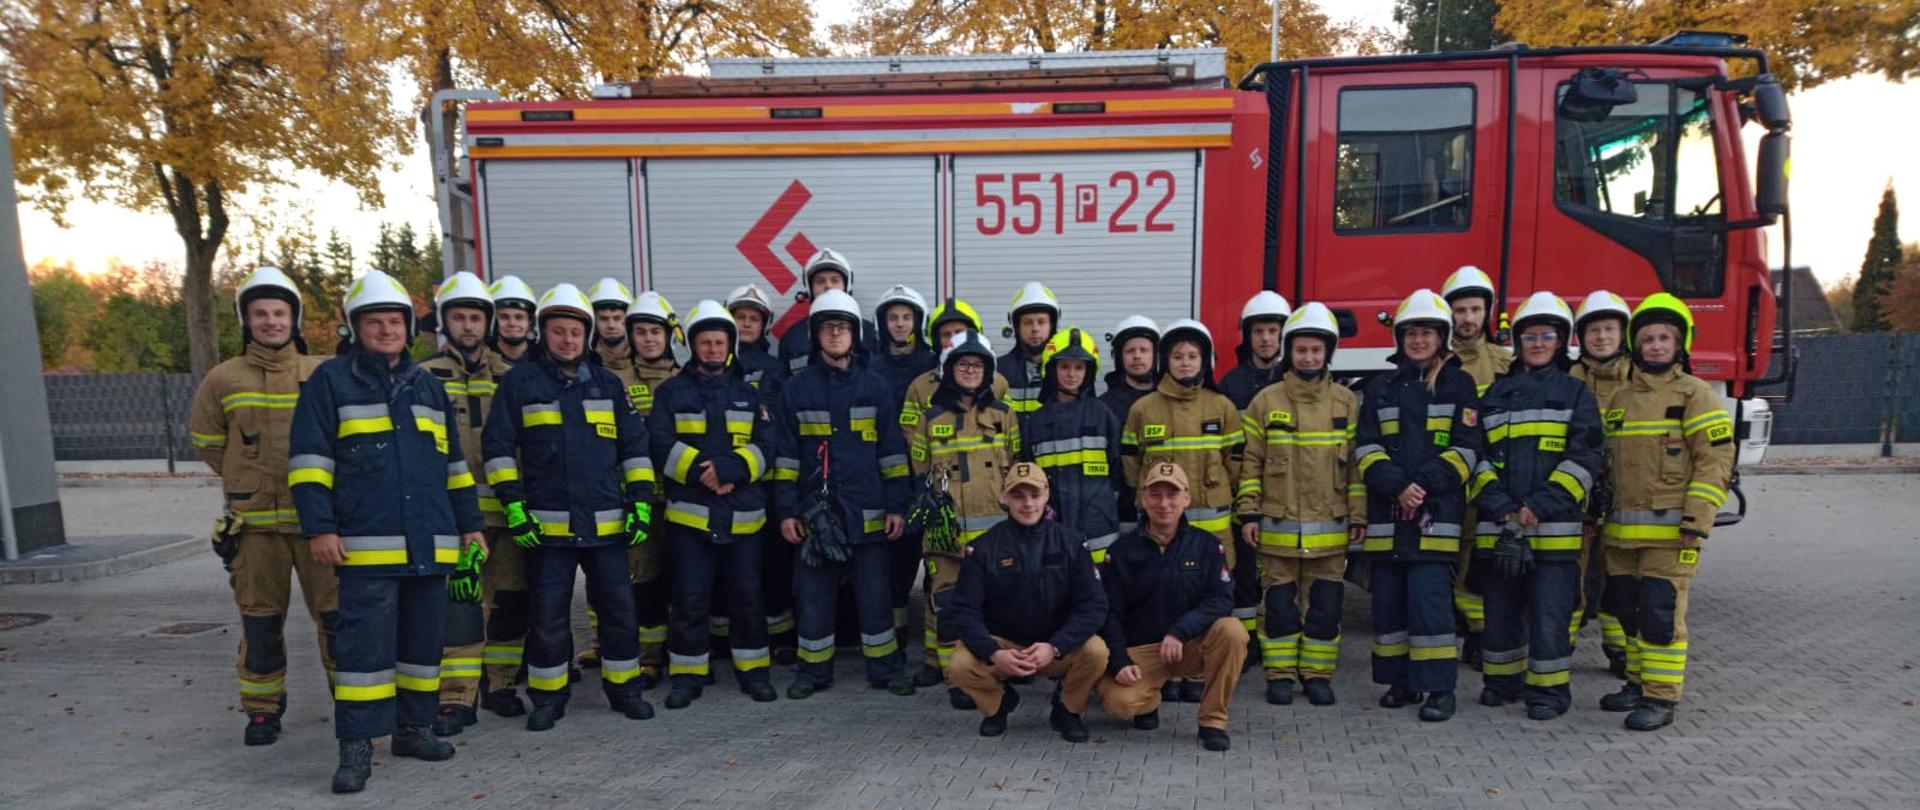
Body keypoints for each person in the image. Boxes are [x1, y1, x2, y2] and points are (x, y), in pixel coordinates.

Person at [287, 269, 486, 792]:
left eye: (394, 321)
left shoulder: (428, 387)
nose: (386, 330)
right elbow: (309, 463)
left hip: (430, 543)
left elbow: (454, 466)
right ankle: (356, 746)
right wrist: (319, 528)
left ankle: (413, 729)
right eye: (374, 322)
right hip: (364, 549)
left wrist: (470, 525)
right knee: (362, 655)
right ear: (355, 328)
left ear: (408, 328)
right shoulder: (330, 382)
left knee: (423, 646)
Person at [482, 283, 656, 731]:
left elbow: (635, 449)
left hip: (607, 527)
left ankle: (626, 689)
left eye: (575, 332)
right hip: (547, 530)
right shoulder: (520, 383)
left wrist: (640, 503)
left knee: (619, 611)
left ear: (587, 335)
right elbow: (498, 449)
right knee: (548, 616)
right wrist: (513, 506)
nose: (567, 340)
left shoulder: (608, 385)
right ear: (544, 333)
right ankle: (548, 697)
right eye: (558, 331)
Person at [188, 266, 333, 747]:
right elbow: (209, 443)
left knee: (338, 620)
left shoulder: (321, 374)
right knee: (261, 624)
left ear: (295, 319)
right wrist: (245, 478)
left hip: (319, 526)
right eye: (260, 314)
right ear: (246, 320)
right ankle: (262, 710)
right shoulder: (223, 379)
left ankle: (352, 701)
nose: (271, 321)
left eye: (279, 313)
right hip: (254, 530)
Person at [1595, 293, 1733, 731]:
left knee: (1660, 615)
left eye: (1664, 338)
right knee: (1627, 611)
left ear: (1679, 344)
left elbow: (1714, 463)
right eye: (1647, 339)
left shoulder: (1696, 395)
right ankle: (1636, 684)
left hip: (1672, 534)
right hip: (1620, 535)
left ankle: (1660, 696)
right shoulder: (1621, 398)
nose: (1655, 346)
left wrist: (1697, 522)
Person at [771, 289, 916, 699]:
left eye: (843, 327)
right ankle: (813, 672)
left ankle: (886, 669)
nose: (835, 334)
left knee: (875, 597)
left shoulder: (875, 387)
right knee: (813, 599)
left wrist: (897, 506)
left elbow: (892, 454)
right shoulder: (796, 390)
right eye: (828, 327)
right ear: (816, 335)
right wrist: (787, 511)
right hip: (816, 514)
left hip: (869, 510)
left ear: (855, 335)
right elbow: (786, 459)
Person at [1469, 292, 1602, 721]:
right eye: (1530, 336)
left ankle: (1548, 693)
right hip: (1500, 528)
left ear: (1561, 341)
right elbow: (1475, 456)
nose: (1539, 343)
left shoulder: (1575, 394)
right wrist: (1500, 505)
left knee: (1549, 618)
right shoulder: (1495, 394)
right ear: (1518, 341)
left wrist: (1538, 506)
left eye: (1547, 335)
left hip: (1552, 533)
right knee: (1500, 613)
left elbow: (1585, 458)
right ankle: (1501, 683)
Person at [1353, 289, 1483, 722]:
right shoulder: (1381, 387)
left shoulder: (1459, 385)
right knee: (1389, 606)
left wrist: (1421, 486)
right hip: (1389, 518)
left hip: (1434, 520)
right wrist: (1396, 486)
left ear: (1441, 337)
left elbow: (1467, 449)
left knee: (1430, 608)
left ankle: (1440, 690)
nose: (1419, 340)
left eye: (1427, 332)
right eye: (1411, 333)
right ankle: (1400, 682)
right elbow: (1366, 447)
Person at [648, 300, 781, 708]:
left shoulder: (748, 396)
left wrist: (730, 470)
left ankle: (754, 673)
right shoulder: (671, 393)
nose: (712, 349)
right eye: (705, 342)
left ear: (730, 346)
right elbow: (659, 443)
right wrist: (701, 473)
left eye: (719, 343)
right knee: (690, 599)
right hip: (691, 518)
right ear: (693, 345)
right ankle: (687, 678)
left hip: (742, 518)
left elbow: (768, 447)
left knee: (747, 597)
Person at [1234, 302, 1364, 708]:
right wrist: (1249, 512)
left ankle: (1317, 675)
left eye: (1316, 350)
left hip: (1330, 528)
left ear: (1328, 353)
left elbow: (1355, 467)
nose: (1308, 357)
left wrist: (1358, 516)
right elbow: (1250, 462)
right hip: (1277, 527)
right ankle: (1280, 675)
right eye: (1301, 350)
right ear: (1289, 351)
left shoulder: (1346, 402)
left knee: (1325, 606)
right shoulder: (1265, 401)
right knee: (1278, 606)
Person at [1120, 318, 1249, 703]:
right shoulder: (1144, 409)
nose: (1185, 363)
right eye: (1177, 356)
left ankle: (1198, 673)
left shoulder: (1221, 407)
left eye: (1193, 356)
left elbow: (1236, 461)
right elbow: (1131, 462)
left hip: (1213, 528)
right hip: (1162, 528)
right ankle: (1168, 672)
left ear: (1205, 361)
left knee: (1207, 596)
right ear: (1166, 361)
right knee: (1162, 595)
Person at [945, 462, 1109, 742]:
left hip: (1055, 646)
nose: (1028, 504)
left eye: (1035, 494)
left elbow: (1094, 605)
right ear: (1004, 497)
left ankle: (1067, 709)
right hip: (1005, 647)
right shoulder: (983, 548)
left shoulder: (1071, 542)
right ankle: (998, 705)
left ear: (1047, 495)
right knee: (959, 665)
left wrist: (1055, 646)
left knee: (1097, 652)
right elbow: (964, 610)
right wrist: (993, 652)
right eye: (1018, 495)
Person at [420, 273, 518, 735]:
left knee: (511, 600)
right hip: (452, 517)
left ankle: (502, 684)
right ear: (445, 322)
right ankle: (457, 697)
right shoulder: (423, 377)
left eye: (475, 318)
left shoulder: (511, 376)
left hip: (508, 509)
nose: (468, 326)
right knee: (461, 604)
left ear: (487, 322)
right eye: (458, 317)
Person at [1096, 461, 1247, 751]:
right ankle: (1149, 700)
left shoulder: (1207, 546)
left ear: (1186, 498)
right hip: (1143, 650)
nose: (1163, 504)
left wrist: (1180, 631)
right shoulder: (1121, 551)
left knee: (1233, 631)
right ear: (1143, 499)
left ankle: (1212, 721)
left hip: (1189, 644)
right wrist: (1120, 662)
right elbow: (1109, 613)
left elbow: (1221, 599)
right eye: (1155, 495)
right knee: (1118, 704)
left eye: (1172, 494)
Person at [906, 329, 1020, 704]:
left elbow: (1015, 467)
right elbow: (920, 470)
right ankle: (953, 677)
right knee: (945, 603)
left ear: (988, 371)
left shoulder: (1005, 416)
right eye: (963, 364)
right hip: (946, 532)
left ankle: (996, 670)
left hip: (995, 531)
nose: (970, 371)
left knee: (996, 603)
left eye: (977, 365)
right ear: (949, 369)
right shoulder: (930, 418)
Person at [595, 290, 680, 681]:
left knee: (682, 579)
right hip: (635, 497)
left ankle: (683, 650)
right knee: (643, 579)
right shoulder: (616, 381)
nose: (648, 339)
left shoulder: (683, 380)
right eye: (641, 332)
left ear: (668, 336)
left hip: (679, 497)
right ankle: (649, 657)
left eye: (655, 332)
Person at [1440, 265, 1509, 667]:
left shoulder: (1505, 363)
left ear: (1487, 312)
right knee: (1453, 549)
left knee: (1483, 555)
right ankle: (1456, 620)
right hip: (1451, 474)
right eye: (1460, 310)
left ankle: (1480, 631)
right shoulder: (1438, 361)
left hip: (1493, 476)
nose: (1467, 318)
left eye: (1475, 310)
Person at [727, 283, 796, 662]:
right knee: (733, 568)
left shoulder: (773, 368)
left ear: (764, 324)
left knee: (773, 565)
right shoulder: (716, 364)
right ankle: (727, 638)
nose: (746, 324)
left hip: (765, 483)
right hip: (724, 484)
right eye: (740, 317)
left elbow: (770, 420)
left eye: (753, 318)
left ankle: (781, 638)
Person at [1571, 289, 1633, 676]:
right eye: (1594, 330)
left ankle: (1619, 650)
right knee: (1571, 575)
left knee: (1618, 578)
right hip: (1579, 496)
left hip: (1625, 494)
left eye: (1609, 329)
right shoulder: (1569, 379)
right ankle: (1559, 649)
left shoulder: (1640, 379)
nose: (1602, 337)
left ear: (1622, 334)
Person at [1025, 327, 1121, 562]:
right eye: (1064, 367)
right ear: (1052, 369)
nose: (1072, 374)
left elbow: (1117, 469)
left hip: (1098, 525)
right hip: (1052, 523)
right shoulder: (1036, 422)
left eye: (1079, 367)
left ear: (1089, 372)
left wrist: (1103, 503)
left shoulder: (1102, 414)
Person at [1098, 316, 1160, 534]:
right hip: (1122, 507)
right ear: (1119, 357)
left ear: (1155, 355)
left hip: (1164, 503)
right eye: (1130, 351)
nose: (1137, 356)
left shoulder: (1169, 400)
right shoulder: (1105, 405)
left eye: (1144, 350)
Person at [777, 249, 878, 372]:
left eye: (835, 280)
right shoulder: (792, 338)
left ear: (847, 286)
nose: (828, 286)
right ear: (810, 288)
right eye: (820, 281)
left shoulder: (870, 334)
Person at [996, 281, 1061, 423]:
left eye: (1042, 322)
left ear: (1052, 326)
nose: (1035, 329)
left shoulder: (1064, 370)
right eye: (1027, 322)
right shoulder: (999, 371)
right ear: (1016, 327)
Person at [1218, 291, 1293, 410]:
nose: (1265, 338)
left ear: (1283, 334)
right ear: (1248, 336)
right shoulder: (1231, 383)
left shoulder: (1295, 381)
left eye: (1272, 331)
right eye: (1258, 331)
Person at [486, 275, 538, 365]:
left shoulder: (545, 360)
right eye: (504, 317)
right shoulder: (479, 361)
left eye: (519, 317)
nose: (512, 323)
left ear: (530, 322)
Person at [587, 277, 634, 375]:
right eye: (604, 319)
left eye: (617, 318)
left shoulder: (644, 361)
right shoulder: (584, 365)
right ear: (594, 322)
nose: (611, 325)